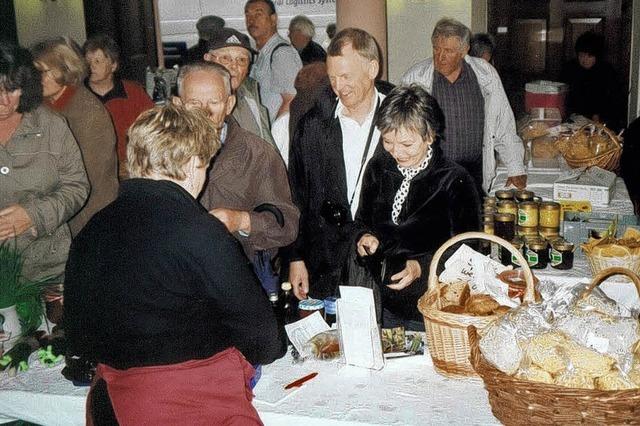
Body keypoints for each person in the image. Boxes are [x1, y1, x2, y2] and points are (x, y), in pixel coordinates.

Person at [64, 104, 286, 425]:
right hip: (186, 405)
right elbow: (262, 335)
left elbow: (79, 339)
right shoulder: (198, 230)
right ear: (192, 163)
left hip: (111, 406)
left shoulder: (90, 231)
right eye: (205, 164)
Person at [355, 84, 481, 330]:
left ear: (430, 136)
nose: (396, 152)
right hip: (380, 300)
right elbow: (361, 220)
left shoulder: (454, 179)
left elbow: (467, 248)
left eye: (407, 144)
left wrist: (420, 266)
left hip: (432, 305)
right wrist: (363, 237)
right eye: (388, 142)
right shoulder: (378, 168)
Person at [175, 62, 298, 294]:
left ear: (230, 104)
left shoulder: (258, 154)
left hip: (240, 284)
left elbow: (288, 225)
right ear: (178, 105)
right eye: (194, 103)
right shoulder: (160, 155)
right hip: (179, 284)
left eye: (214, 102)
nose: (205, 111)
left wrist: (241, 221)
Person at [287, 28, 392, 301]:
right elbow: (297, 195)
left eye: (346, 76)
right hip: (327, 262)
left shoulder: (401, 118)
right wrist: (296, 257)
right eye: (332, 78)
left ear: (372, 69)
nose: (338, 87)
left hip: (385, 256)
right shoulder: (312, 126)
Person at [402, 18, 526, 193]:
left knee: (472, 218)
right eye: (436, 49)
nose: (440, 57)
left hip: (474, 170)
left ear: (464, 51)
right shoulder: (415, 79)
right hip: (433, 171)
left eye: (448, 51)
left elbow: (502, 122)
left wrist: (516, 167)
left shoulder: (485, 74)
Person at [0, 41, 89, 285]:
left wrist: (33, 215)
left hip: (49, 268)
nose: (6, 101)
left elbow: (77, 187)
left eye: (13, 89)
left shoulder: (51, 125)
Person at [32, 37, 118, 236]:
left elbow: (84, 178)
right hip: (57, 213)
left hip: (88, 219)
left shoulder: (88, 113)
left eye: (42, 72)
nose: (36, 78)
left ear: (65, 69)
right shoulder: (42, 105)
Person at [83, 34, 154, 178]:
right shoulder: (77, 98)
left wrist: (133, 163)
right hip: (90, 174)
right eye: (87, 61)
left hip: (131, 170)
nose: (91, 66)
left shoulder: (134, 92)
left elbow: (152, 131)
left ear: (113, 65)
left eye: (97, 61)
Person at [203, 27, 276, 148]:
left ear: (248, 67)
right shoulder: (197, 102)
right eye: (225, 58)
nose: (233, 66)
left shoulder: (250, 96)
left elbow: (267, 145)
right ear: (208, 59)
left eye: (241, 60)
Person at [245, 0, 302, 122]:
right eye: (248, 15)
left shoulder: (281, 54)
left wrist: (273, 137)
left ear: (273, 19)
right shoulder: (262, 53)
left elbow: (292, 100)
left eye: (258, 14)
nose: (251, 20)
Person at [560, 31, 623, 131]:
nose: (584, 60)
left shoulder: (607, 71)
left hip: (603, 121)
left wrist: (598, 116)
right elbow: (565, 96)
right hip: (575, 119)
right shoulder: (570, 68)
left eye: (589, 56)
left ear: (597, 56)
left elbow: (612, 100)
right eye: (581, 55)